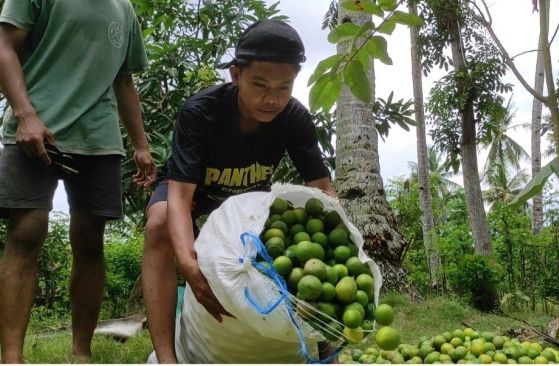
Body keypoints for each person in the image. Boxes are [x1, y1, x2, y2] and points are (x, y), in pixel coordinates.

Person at [142, 19, 336, 363]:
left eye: (284, 87)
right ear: (235, 75)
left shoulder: (295, 119)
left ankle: (323, 345)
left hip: (245, 202)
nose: (271, 98)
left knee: (301, 238)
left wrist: (345, 246)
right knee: (158, 224)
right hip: (193, 193)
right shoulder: (200, 113)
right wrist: (188, 264)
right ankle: (166, 356)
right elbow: (180, 197)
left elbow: (321, 188)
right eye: (259, 84)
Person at [0, 0, 156, 362]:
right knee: (27, 231)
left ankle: (80, 353)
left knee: (90, 239)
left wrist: (141, 145)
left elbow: (124, 79)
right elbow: (4, 45)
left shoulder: (123, 8)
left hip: (98, 137)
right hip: (36, 126)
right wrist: (24, 115)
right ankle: (11, 357)